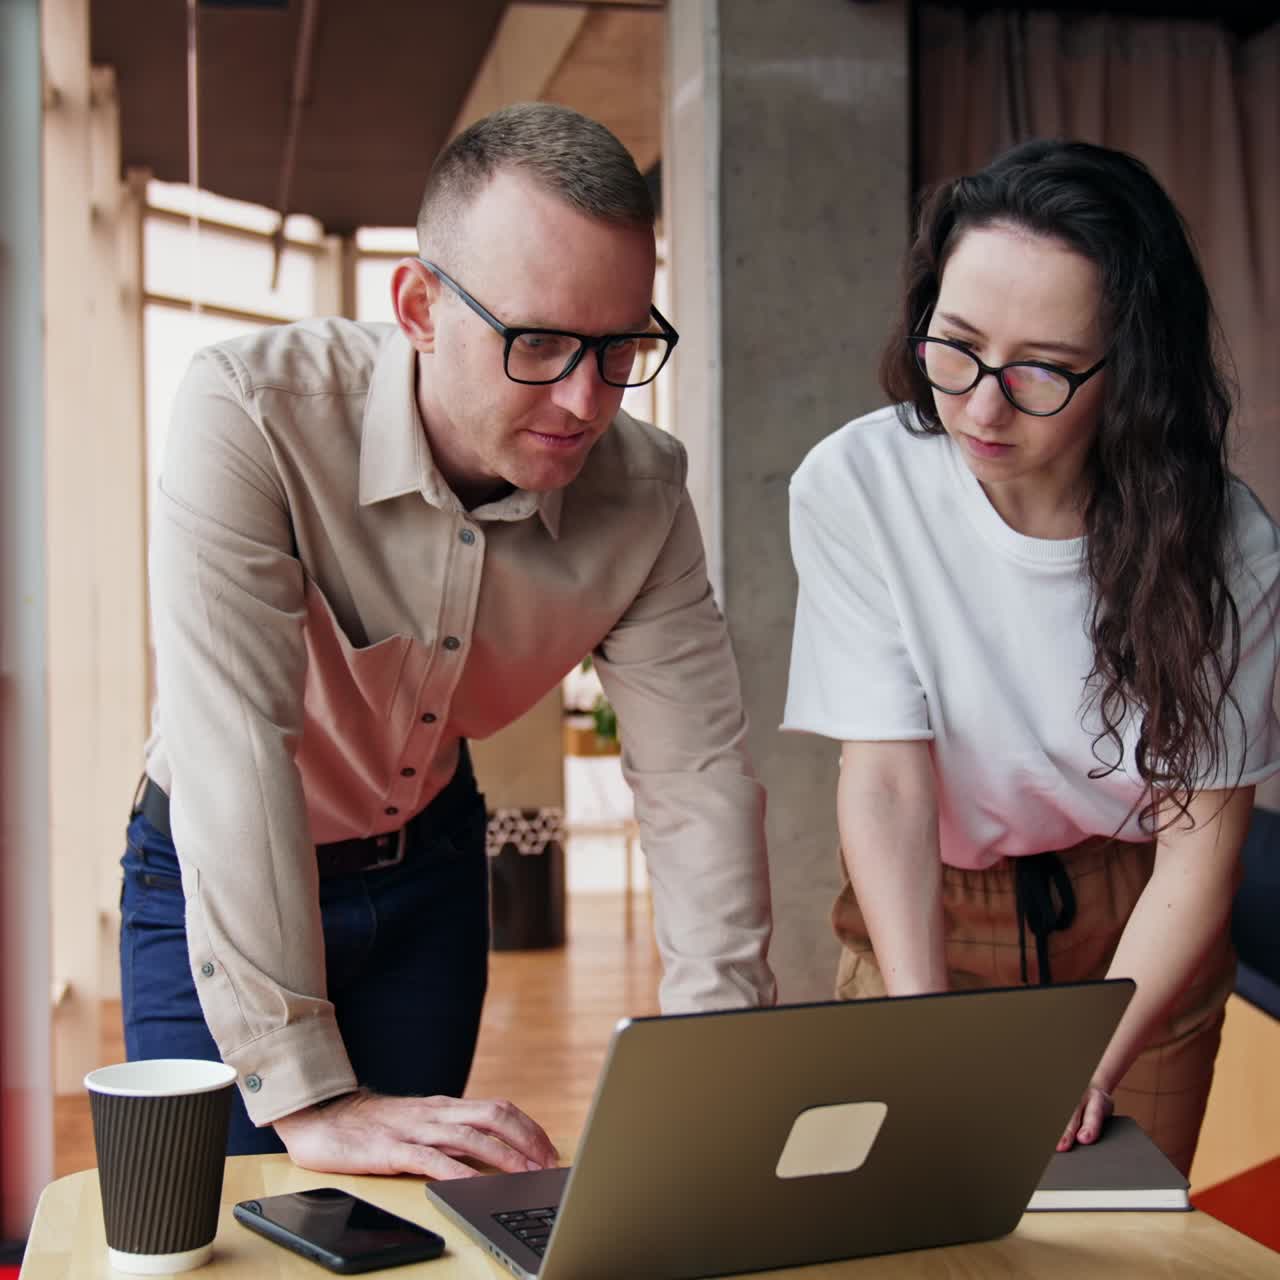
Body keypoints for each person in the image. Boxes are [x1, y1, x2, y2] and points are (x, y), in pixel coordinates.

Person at [122, 102, 775, 1178]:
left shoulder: (644, 493)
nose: (584, 399)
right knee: (227, 1233)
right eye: (539, 343)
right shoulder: (249, 414)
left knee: (397, 1231)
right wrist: (309, 1090)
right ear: (420, 306)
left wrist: (713, 1056)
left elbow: (697, 778)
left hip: (427, 875)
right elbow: (234, 755)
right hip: (208, 868)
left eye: (620, 349)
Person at [783, 138, 1280, 1174]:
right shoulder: (857, 484)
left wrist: (1088, 1065)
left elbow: (1199, 844)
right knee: (903, 1227)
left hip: (1138, 922)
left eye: (1042, 371)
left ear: (1128, 371)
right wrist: (918, 1023)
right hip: (927, 906)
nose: (978, 405)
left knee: (1114, 1239)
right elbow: (882, 775)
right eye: (953, 345)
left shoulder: (1225, 541)